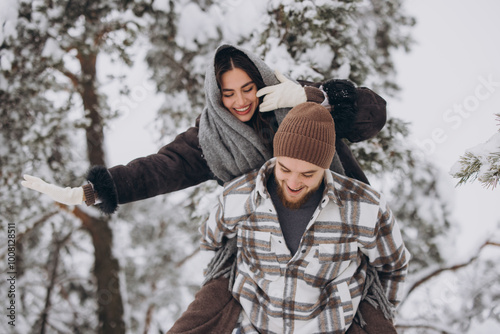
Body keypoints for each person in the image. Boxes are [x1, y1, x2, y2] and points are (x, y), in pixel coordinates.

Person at [21, 44, 388, 333]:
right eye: (228, 93)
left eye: (248, 88)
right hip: (261, 245)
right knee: (205, 313)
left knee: (365, 318)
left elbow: (374, 116)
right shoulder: (210, 138)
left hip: (335, 230)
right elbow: (160, 168)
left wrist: (313, 98)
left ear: (261, 80)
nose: (240, 101)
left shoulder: (299, 100)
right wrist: (92, 190)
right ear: (216, 94)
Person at [198, 102, 410, 334]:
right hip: (254, 326)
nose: (293, 183)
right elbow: (211, 244)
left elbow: (393, 265)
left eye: (307, 174)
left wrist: (379, 311)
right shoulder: (238, 195)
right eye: (285, 169)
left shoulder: (365, 206)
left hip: (331, 327)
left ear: (325, 166)